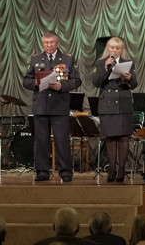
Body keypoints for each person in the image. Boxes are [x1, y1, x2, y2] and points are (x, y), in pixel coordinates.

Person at [23, 30, 82, 182]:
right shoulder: (36, 59)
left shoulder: (67, 58)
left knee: (62, 141)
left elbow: (76, 80)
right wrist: (37, 83)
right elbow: (26, 81)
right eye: (46, 43)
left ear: (57, 43)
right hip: (41, 106)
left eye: (51, 42)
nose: (49, 45)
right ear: (42, 43)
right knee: (41, 141)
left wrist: (62, 86)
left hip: (59, 105)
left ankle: (66, 173)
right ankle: (42, 172)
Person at [92, 36, 137, 182]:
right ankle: (112, 169)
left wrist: (129, 78)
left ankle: (121, 169)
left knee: (123, 137)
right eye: (112, 47)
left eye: (117, 48)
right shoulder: (100, 63)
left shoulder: (128, 63)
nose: (114, 50)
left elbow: (134, 84)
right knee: (110, 137)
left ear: (121, 50)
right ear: (108, 48)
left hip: (123, 104)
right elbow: (96, 82)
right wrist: (105, 68)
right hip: (108, 104)